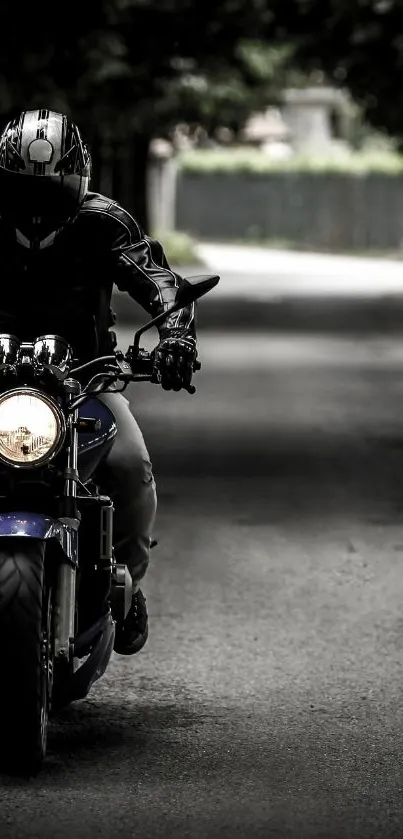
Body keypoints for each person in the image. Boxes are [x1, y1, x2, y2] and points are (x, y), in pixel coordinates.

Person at [0, 109, 199, 655]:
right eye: (22, 189)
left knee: (130, 467)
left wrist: (177, 337)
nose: (38, 205)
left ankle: (128, 583)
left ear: (79, 179)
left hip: (85, 378)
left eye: (53, 188)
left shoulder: (104, 222)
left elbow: (159, 281)